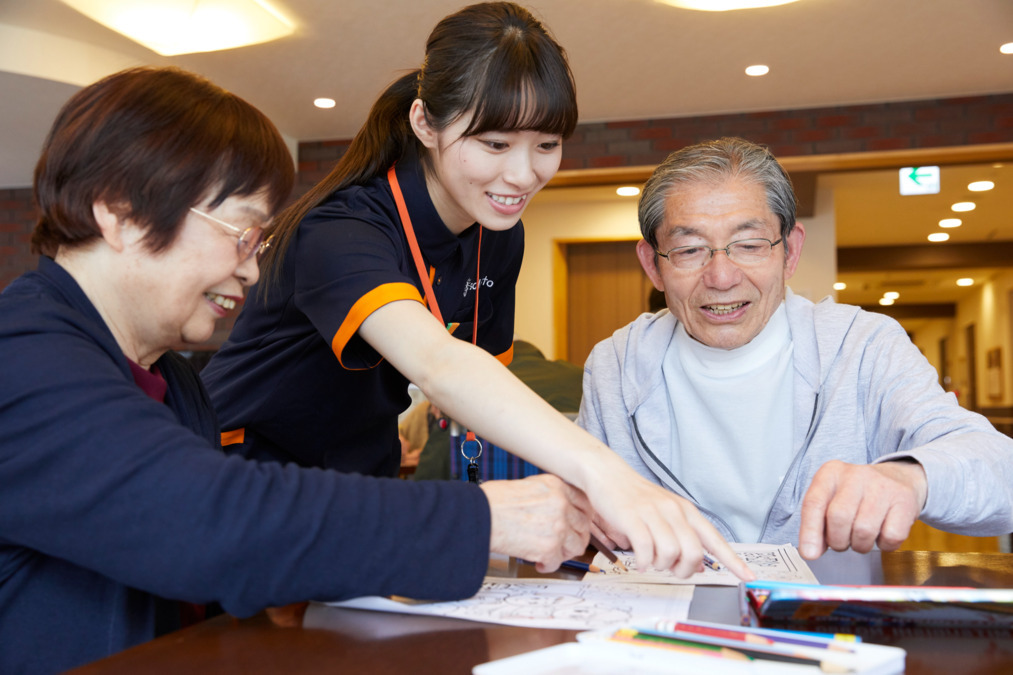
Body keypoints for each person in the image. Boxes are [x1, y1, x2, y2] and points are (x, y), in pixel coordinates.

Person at [0, 66, 596, 674]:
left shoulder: (174, 385)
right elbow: (207, 523)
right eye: (239, 230)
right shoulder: (21, 353)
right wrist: (484, 521)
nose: (252, 270)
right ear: (120, 212)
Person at [200, 2, 751, 578]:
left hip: (360, 478)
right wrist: (610, 476)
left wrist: (581, 501)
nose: (522, 175)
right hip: (243, 469)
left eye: (546, 144)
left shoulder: (498, 237)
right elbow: (439, 364)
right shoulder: (341, 229)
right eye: (494, 144)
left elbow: (483, 396)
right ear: (425, 123)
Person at [578, 136, 1013, 560]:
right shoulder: (616, 365)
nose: (722, 277)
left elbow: (999, 473)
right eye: (690, 249)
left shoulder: (860, 346)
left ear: (790, 252)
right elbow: (579, 505)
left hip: (824, 623)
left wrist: (909, 476)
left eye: (749, 245)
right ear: (653, 264)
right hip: (663, 625)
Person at [413, 338, 585, 481]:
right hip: (570, 504)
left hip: (486, 510)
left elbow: (427, 482)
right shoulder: (580, 377)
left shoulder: (469, 385)